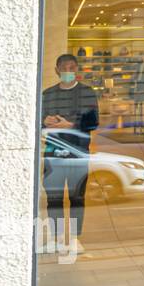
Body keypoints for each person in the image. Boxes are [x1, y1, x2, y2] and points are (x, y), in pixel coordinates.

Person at [40, 53, 100, 253]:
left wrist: (71, 125)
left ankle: (74, 239)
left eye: (72, 68)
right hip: (53, 152)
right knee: (54, 197)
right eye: (64, 68)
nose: (68, 72)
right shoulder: (47, 95)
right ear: (57, 70)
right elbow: (37, 120)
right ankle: (56, 239)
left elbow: (93, 122)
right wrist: (44, 122)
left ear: (77, 70)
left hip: (78, 153)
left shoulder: (87, 93)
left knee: (77, 197)